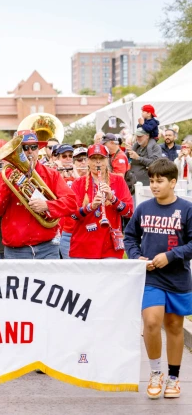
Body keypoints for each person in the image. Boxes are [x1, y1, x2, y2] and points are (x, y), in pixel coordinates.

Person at [124, 158, 192, 399]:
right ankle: (155, 372)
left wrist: (172, 255)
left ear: (173, 182)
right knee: (151, 322)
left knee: (174, 326)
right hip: (151, 277)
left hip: (177, 278)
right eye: (151, 181)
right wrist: (137, 257)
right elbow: (129, 236)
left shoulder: (186, 209)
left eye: (159, 181)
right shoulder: (143, 208)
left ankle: (173, 378)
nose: (154, 185)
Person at [0, 132, 77, 259]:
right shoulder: (6, 177)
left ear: (38, 149)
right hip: (15, 251)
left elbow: (72, 203)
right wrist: (6, 186)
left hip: (47, 248)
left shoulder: (51, 174)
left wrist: (47, 205)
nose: (30, 151)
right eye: (24, 147)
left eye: (34, 147)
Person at [69, 144, 133, 259]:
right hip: (83, 246)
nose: (97, 162)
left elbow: (129, 212)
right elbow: (72, 215)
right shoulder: (78, 183)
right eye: (94, 158)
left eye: (101, 158)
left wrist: (113, 199)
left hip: (110, 247)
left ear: (107, 160)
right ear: (88, 161)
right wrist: (91, 206)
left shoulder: (118, 181)